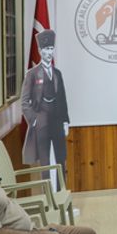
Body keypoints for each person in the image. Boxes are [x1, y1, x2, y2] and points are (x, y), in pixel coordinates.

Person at [20, 30, 70, 181]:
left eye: (51, 49)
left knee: (61, 158)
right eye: (46, 49)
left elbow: (62, 99)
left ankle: (62, 195)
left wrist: (66, 121)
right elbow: (24, 101)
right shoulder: (32, 74)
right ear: (40, 51)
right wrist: (33, 119)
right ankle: (49, 200)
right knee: (45, 161)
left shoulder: (57, 73)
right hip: (41, 121)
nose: (49, 52)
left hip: (57, 121)